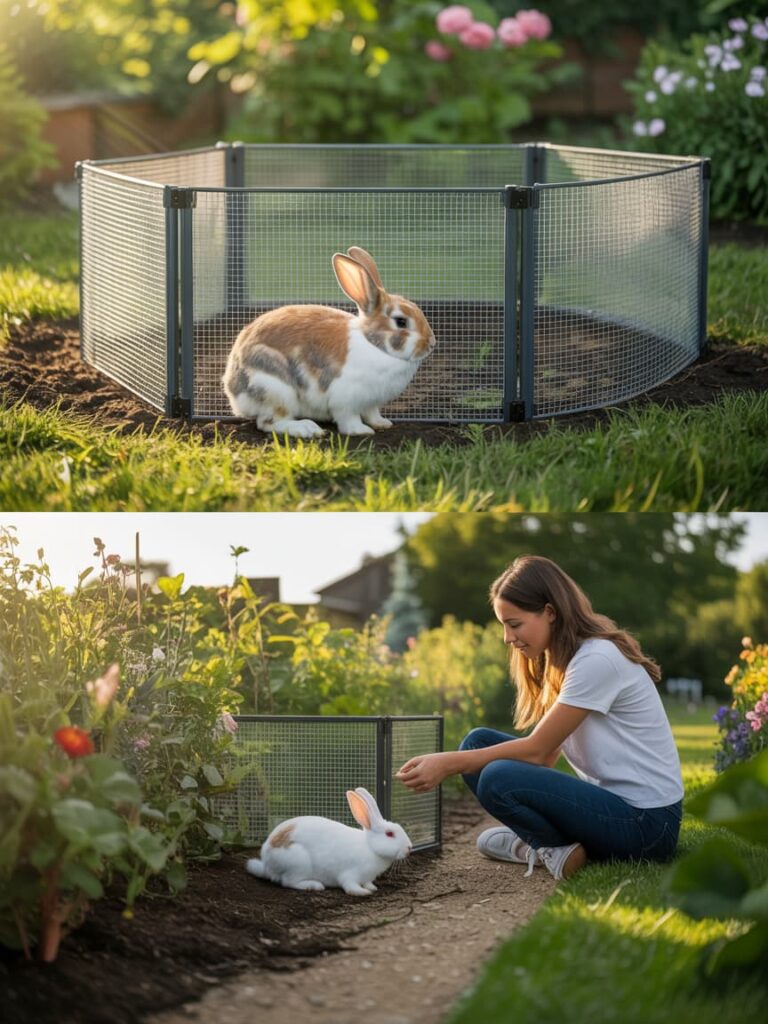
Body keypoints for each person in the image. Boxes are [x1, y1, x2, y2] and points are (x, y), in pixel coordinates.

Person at [395, 555, 684, 882]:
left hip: (647, 827)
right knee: (477, 742)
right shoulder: (566, 660)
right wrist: (462, 757)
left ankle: (547, 846)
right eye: (504, 626)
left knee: (495, 777)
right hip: (615, 807)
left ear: (549, 612)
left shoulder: (597, 659)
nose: (507, 638)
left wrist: (450, 762)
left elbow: (536, 750)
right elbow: (546, 757)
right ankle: (557, 849)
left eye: (514, 624)